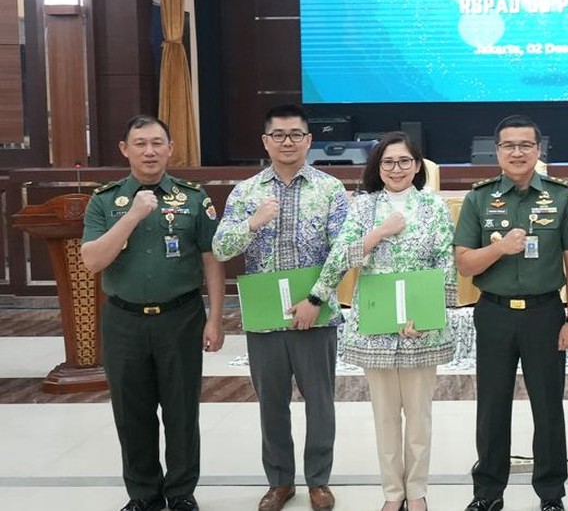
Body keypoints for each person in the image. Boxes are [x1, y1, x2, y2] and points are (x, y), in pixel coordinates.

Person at [80, 115, 226, 511]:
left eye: (157, 143)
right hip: (123, 320)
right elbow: (92, 260)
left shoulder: (193, 198)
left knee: (181, 409)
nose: (149, 151)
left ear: (170, 148)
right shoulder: (105, 200)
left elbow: (212, 259)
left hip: (180, 316)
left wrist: (215, 318)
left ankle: (180, 493)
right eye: (140, 143)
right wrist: (132, 216)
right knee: (131, 411)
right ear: (124, 149)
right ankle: (143, 494)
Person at [212, 104, 348, 511]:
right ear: (265, 141)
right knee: (271, 403)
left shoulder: (330, 189)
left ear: (309, 140)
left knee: (320, 402)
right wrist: (253, 222)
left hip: (315, 313)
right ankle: (279, 482)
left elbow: (342, 253)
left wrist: (315, 299)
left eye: (295, 135)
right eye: (279, 135)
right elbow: (220, 248)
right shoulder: (246, 192)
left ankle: (319, 480)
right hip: (265, 314)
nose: (287, 142)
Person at [312, 132, 457, 511]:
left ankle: (417, 491)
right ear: (377, 167)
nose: (396, 169)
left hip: (420, 330)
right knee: (385, 418)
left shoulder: (434, 207)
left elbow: (445, 264)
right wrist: (378, 233)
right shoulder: (363, 207)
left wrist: (428, 317)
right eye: (388, 162)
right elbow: (341, 257)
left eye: (404, 161)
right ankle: (393, 493)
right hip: (376, 328)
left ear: (417, 166)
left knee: (419, 418)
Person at [453, 115, 568, 511]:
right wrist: (499, 248)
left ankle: (551, 494)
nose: (517, 152)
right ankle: (488, 492)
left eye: (525, 145)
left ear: (538, 150)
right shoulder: (478, 199)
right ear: (496, 151)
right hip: (494, 314)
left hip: (545, 313)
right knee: (492, 407)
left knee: (548, 407)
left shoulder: (562, 197)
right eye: (508, 145)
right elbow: (464, 264)